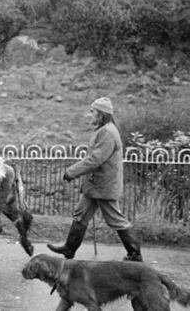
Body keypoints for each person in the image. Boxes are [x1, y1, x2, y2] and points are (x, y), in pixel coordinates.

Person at [48, 97, 143, 262]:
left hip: (103, 186)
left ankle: (135, 254)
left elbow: (95, 159)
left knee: (116, 219)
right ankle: (69, 250)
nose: (89, 114)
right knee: (80, 214)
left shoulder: (107, 132)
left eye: (92, 111)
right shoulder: (104, 130)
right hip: (95, 185)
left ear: (102, 114)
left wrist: (71, 172)